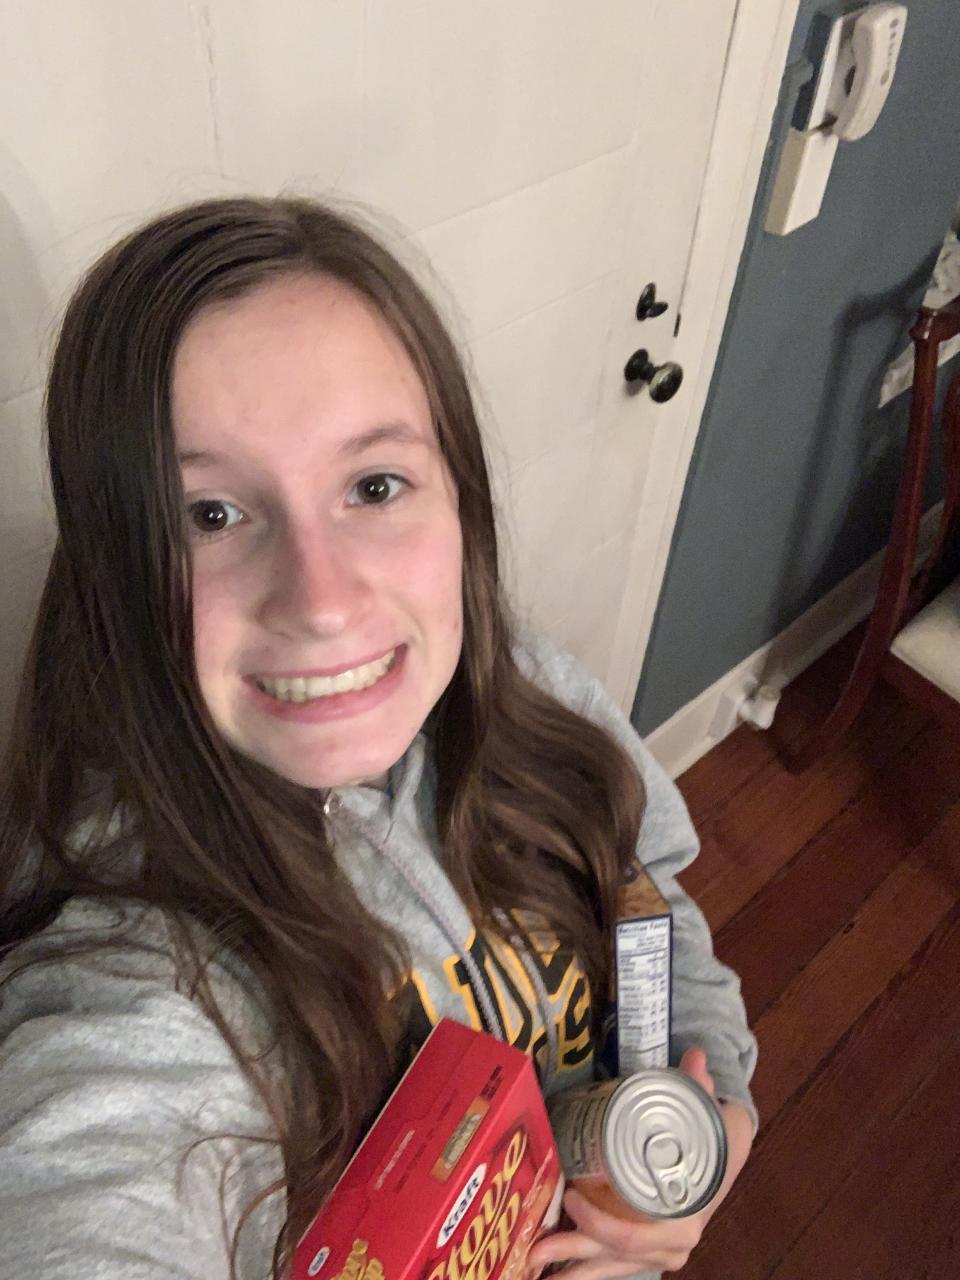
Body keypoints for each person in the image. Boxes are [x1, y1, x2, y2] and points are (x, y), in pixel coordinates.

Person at [0, 197, 757, 1280]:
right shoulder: (133, 976)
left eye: (374, 485)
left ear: (461, 501)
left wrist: (715, 1117)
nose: (320, 601)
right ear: (116, 574)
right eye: (208, 515)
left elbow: (654, 898)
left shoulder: (529, 686)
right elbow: (87, 1174)